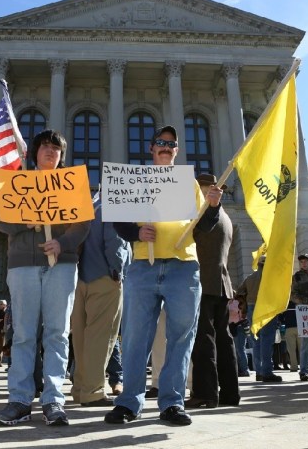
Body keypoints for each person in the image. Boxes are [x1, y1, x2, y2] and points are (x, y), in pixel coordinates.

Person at [104, 125, 223, 427]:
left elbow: (203, 228)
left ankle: (172, 403)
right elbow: (118, 221)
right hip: (143, 265)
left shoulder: (189, 185)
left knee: (181, 337)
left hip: (183, 267)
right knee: (134, 338)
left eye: (170, 144)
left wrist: (212, 208)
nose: (165, 147)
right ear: (151, 149)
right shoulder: (135, 179)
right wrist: (135, 231)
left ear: (176, 151)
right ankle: (129, 403)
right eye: (160, 142)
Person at [0, 129, 90, 427]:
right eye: (45, 146)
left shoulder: (72, 184)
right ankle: (20, 400)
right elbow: (1, 220)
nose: (50, 151)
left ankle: (53, 399)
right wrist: (28, 220)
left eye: (56, 148)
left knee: (57, 334)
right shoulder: (17, 181)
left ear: (62, 155)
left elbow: (83, 224)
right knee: (23, 334)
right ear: (34, 152)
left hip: (61, 264)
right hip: (22, 265)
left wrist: (63, 243)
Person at [71, 191, 131, 407]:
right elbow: (115, 241)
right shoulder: (113, 208)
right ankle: (93, 391)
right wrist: (119, 271)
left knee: (80, 339)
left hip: (79, 279)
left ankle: (79, 388)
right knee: (102, 338)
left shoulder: (86, 208)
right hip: (105, 278)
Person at [188, 173, 240, 408]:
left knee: (204, 340)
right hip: (221, 283)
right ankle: (230, 393)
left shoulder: (205, 213)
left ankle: (205, 393)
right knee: (223, 340)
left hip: (203, 281)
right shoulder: (226, 217)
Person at [236, 255, 282, 383]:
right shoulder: (271, 277)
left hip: (251, 307)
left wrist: (244, 305)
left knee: (256, 340)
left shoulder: (250, 278)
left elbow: (239, 292)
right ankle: (267, 372)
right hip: (266, 306)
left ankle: (259, 372)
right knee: (267, 339)